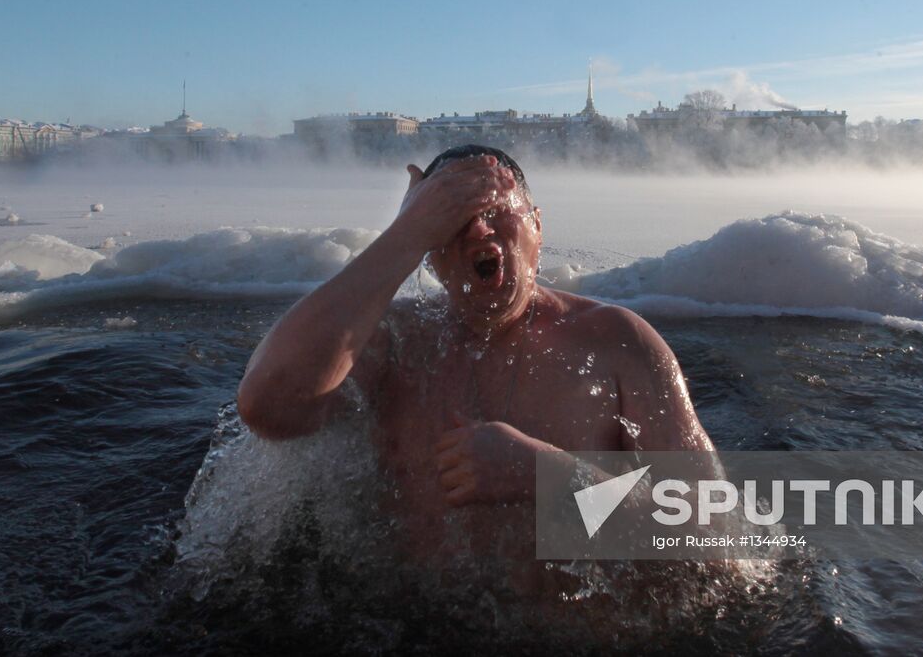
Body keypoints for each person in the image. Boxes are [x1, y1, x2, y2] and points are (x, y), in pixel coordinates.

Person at [237, 144, 714, 564]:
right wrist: (406, 234)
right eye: (452, 219)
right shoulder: (393, 342)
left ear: (538, 227)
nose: (478, 231)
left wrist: (556, 477)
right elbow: (270, 406)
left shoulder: (616, 342)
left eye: (495, 209)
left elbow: (722, 533)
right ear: (428, 247)